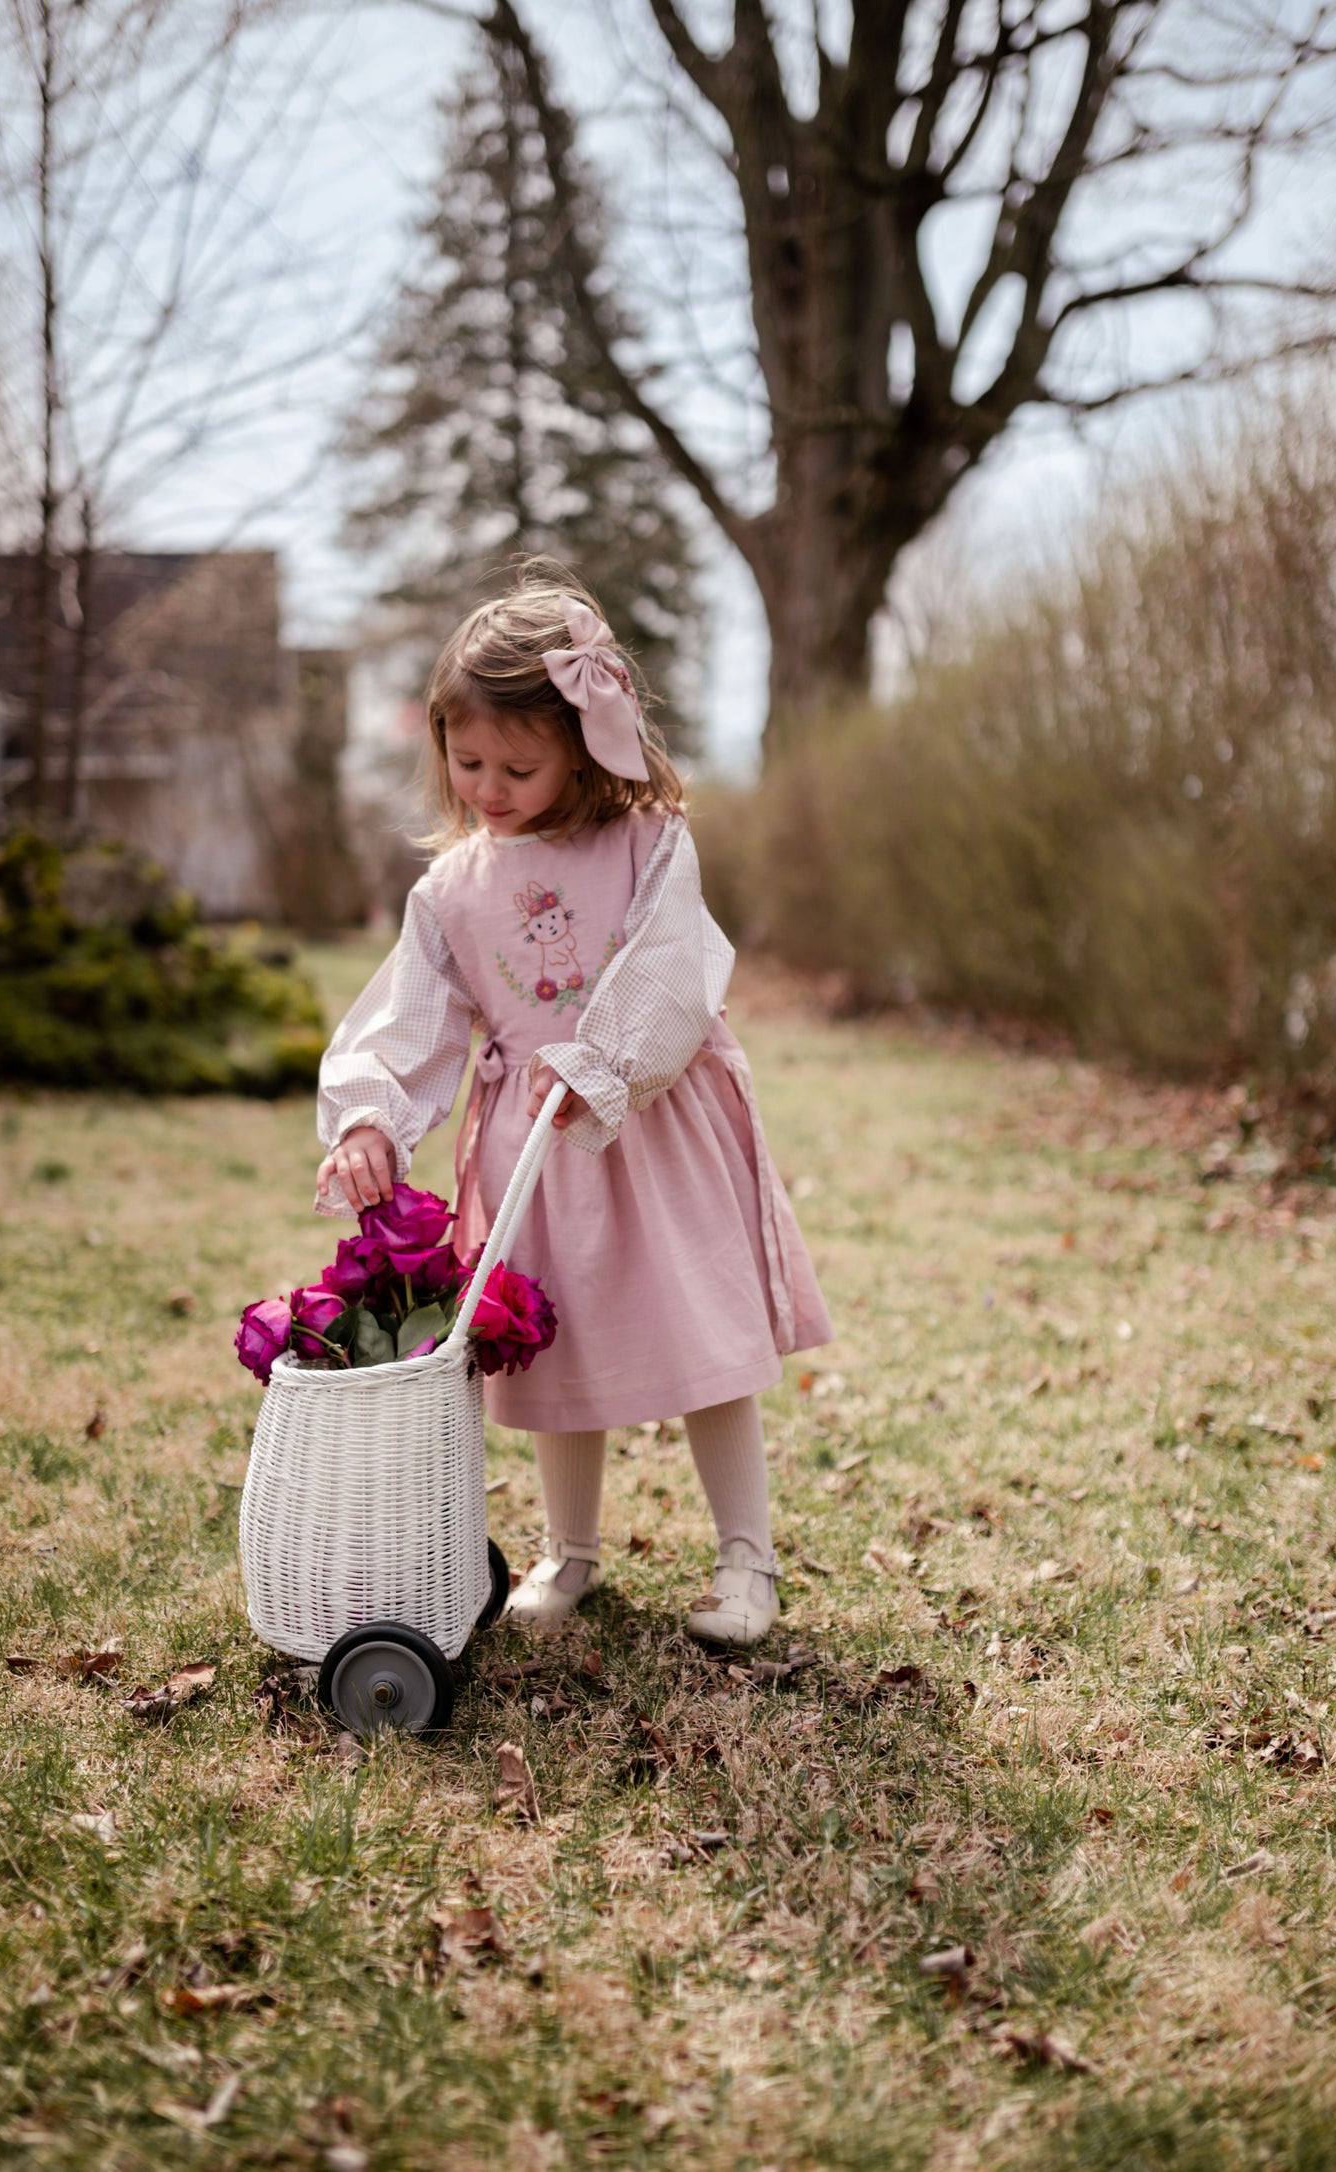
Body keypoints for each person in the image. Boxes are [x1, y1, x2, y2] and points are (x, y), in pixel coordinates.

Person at [314, 563, 833, 1645]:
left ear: (581, 748)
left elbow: (673, 969)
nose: (488, 787)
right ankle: (570, 1550)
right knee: (553, 1344)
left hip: (649, 1123)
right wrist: (370, 1116)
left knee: (701, 1334)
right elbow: (408, 1021)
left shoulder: (647, 841)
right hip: (530, 1151)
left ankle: (747, 1559)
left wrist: (599, 1065)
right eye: (467, 763)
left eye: (518, 764)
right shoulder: (449, 890)